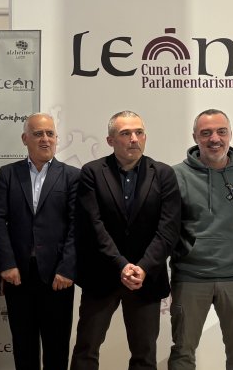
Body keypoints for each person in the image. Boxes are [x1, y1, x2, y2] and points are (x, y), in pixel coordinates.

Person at [70, 110, 181, 370]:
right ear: (110, 140)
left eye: (139, 132)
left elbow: (168, 229)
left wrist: (142, 267)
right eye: (125, 133)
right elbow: (92, 225)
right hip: (102, 275)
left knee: (144, 356)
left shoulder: (163, 174)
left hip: (146, 278)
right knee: (86, 350)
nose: (134, 138)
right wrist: (121, 265)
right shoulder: (92, 172)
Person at [169, 109, 233, 370]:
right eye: (206, 133)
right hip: (190, 276)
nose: (215, 138)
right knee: (182, 355)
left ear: (230, 134)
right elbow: (168, 227)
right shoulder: (176, 176)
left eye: (221, 131)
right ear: (195, 137)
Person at [0, 113, 79, 370]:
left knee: (57, 348)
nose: (45, 139)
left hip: (57, 278)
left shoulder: (72, 175)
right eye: (38, 133)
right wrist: (6, 264)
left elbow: (77, 226)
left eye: (50, 133)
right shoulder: (8, 173)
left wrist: (67, 268)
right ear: (25, 138)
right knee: (23, 347)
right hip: (19, 275)